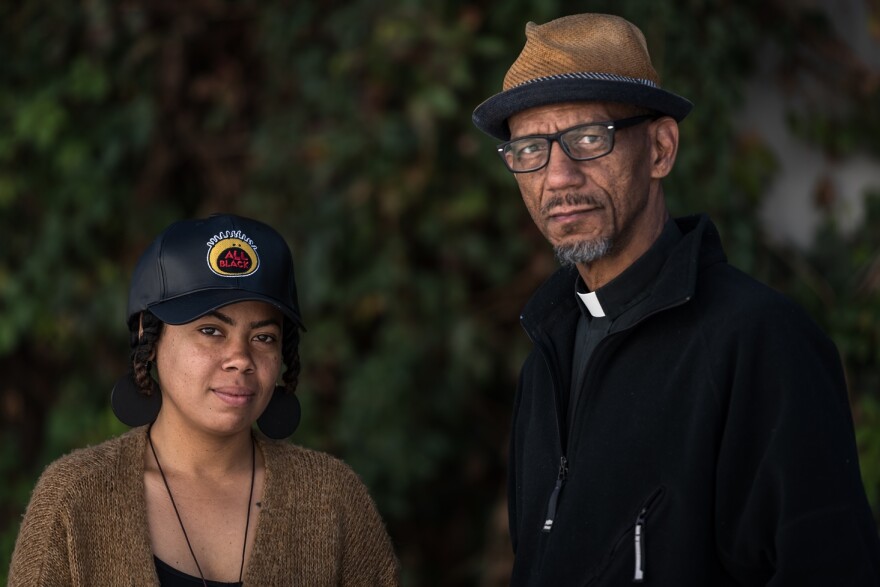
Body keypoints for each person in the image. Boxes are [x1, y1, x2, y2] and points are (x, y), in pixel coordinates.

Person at [472, 13, 880, 586]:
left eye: (589, 138)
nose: (557, 177)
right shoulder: (546, 357)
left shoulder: (760, 341)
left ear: (661, 149)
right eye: (530, 148)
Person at [8, 213, 400, 586]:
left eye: (263, 337)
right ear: (150, 337)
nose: (241, 360)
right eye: (211, 330)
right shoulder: (74, 498)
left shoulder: (333, 501)